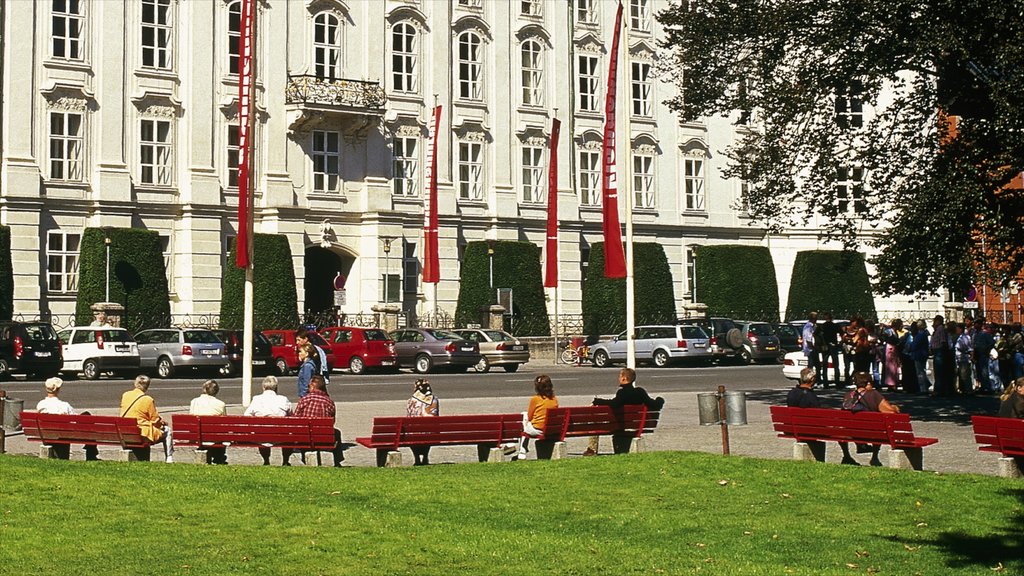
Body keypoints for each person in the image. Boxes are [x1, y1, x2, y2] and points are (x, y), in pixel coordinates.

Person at [786, 368, 859, 464]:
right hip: (812, 429)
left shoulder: (792, 393)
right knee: (840, 428)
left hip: (794, 428)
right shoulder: (810, 396)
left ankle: (848, 456)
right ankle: (847, 456)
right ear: (812, 379)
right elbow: (818, 415)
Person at [590, 367, 665, 455]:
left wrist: (598, 401)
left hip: (619, 425)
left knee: (593, 424)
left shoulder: (622, 393)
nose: (618, 379)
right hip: (636, 425)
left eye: (619, 376)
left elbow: (614, 404)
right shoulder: (640, 392)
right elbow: (655, 405)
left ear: (624, 378)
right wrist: (660, 399)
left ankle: (591, 449)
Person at [842, 371, 900, 466]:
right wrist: (895, 407)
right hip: (872, 433)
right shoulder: (874, 394)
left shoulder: (848, 396)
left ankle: (846, 456)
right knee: (879, 426)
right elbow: (890, 412)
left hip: (850, 433)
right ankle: (874, 457)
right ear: (868, 383)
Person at [34, 377, 99, 461]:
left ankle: (91, 453)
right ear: (57, 389)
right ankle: (91, 454)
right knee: (87, 416)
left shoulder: (41, 405)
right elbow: (75, 419)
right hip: (63, 435)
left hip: (46, 434)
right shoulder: (64, 405)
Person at [288, 374, 345, 467]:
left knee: (302, 433)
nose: (307, 389)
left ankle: (305, 458)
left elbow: (296, 419)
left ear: (313, 387)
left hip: (305, 437)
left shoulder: (305, 399)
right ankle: (337, 461)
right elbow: (332, 421)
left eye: (309, 386)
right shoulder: (329, 402)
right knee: (337, 433)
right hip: (323, 437)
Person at [120, 375, 173, 463]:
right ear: (147, 386)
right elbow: (155, 420)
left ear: (135, 383)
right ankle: (169, 457)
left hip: (126, 432)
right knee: (168, 431)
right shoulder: (148, 400)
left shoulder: (125, 395)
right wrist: (162, 423)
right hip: (143, 434)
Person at [244, 375, 294, 465]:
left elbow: (246, 415)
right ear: (276, 387)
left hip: (262, 435)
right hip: (281, 435)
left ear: (263, 387)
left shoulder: (256, 399)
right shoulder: (283, 399)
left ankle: (266, 460)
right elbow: (291, 415)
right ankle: (285, 460)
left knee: (262, 431)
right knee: (289, 433)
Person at [513, 374, 558, 461]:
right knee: (525, 422)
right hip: (550, 430)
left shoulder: (535, 399)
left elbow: (529, 417)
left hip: (537, 429)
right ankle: (520, 449)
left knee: (524, 417)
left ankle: (521, 451)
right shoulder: (554, 399)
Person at [189, 379, 228, 464]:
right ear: (216, 391)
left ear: (204, 389)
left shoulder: (194, 402)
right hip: (214, 437)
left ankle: (213, 456)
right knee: (220, 433)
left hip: (197, 436)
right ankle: (219, 458)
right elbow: (224, 423)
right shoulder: (220, 404)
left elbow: (191, 419)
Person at [406, 379, 439, 465]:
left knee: (412, 432)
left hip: (413, 434)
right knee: (428, 430)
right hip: (430, 434)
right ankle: (425, 456)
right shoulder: (434, 400)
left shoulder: (411, 401)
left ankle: (417, 458)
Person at [818, 312, 840, 388]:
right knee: (836, 365)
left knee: (824, 365)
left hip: (825, 346)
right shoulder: (835, 326)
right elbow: (841, 333)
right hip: (833, 345)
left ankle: (825, 383)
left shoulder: (822, 326)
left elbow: (815, 334)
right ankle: (837, 382)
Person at [974, 318, 996, 394]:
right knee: (978, 371)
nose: (975, 325)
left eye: (977, 324)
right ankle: (982, 387)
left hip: (983, 354)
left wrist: (987, 349)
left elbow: (992, 342)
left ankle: (987, 387)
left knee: (984, 371)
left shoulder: (985, 334)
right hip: (977, 354)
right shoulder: (975, 334)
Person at [911, 319, 931, 394]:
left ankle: (923, 388)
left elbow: (915, 345)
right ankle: (926, 384)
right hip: (922, 354)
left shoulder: (920, 334)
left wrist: (911, 347)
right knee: (922, 370)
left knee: (920, 372)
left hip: (919, 354)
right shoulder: (924, 333)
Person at [955, 320, 975, 394]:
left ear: (960, 329)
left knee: (965, 375)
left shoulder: (965, 338)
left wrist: (971, 356)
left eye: (957, 328)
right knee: (961, 375)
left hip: (964, 358)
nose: (956, 330)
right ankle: (963, 389)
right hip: (959, 359)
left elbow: (969, 348)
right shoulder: (959, 337)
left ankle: (968, 390)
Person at [801, 311, 818, 378]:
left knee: (816, 365)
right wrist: (813, 348)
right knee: (811, 366)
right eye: (816, 318)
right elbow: (808, 339)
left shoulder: (812, 326)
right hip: (810, 349)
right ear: (813, 319)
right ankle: (809, 379)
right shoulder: (808, 327)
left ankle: (814, 379)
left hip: (811, 348)